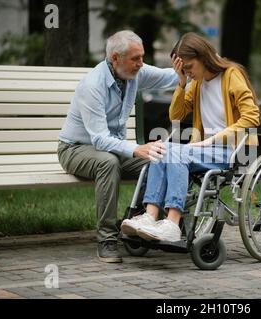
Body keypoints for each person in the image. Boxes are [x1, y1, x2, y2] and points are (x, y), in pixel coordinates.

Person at [120, 32, 261, 242]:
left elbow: (253, 116)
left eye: (189, 67)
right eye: (183, 68)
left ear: (204, 58)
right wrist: (181, 81)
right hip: (203, 150)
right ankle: (150, 217)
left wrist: (214, 139)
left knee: (176, 151)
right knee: (160, 148)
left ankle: (173, 224)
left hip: (232, 151)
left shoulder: (231, 75)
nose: (188, 72)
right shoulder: (195, 83)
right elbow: (175, 116)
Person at [57, 30, 178, 263]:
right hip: (75, 149)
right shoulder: (93, 85)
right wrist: (135, 148)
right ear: (115, 58)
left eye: (141, 57)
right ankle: (106, 239)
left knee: (160, 158)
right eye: (136, 59)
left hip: (114, 147)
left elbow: (169, 77)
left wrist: (194, 68)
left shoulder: (134, 73)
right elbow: (100, 140)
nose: (141, 64)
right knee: (108, 163)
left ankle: (136, 225)